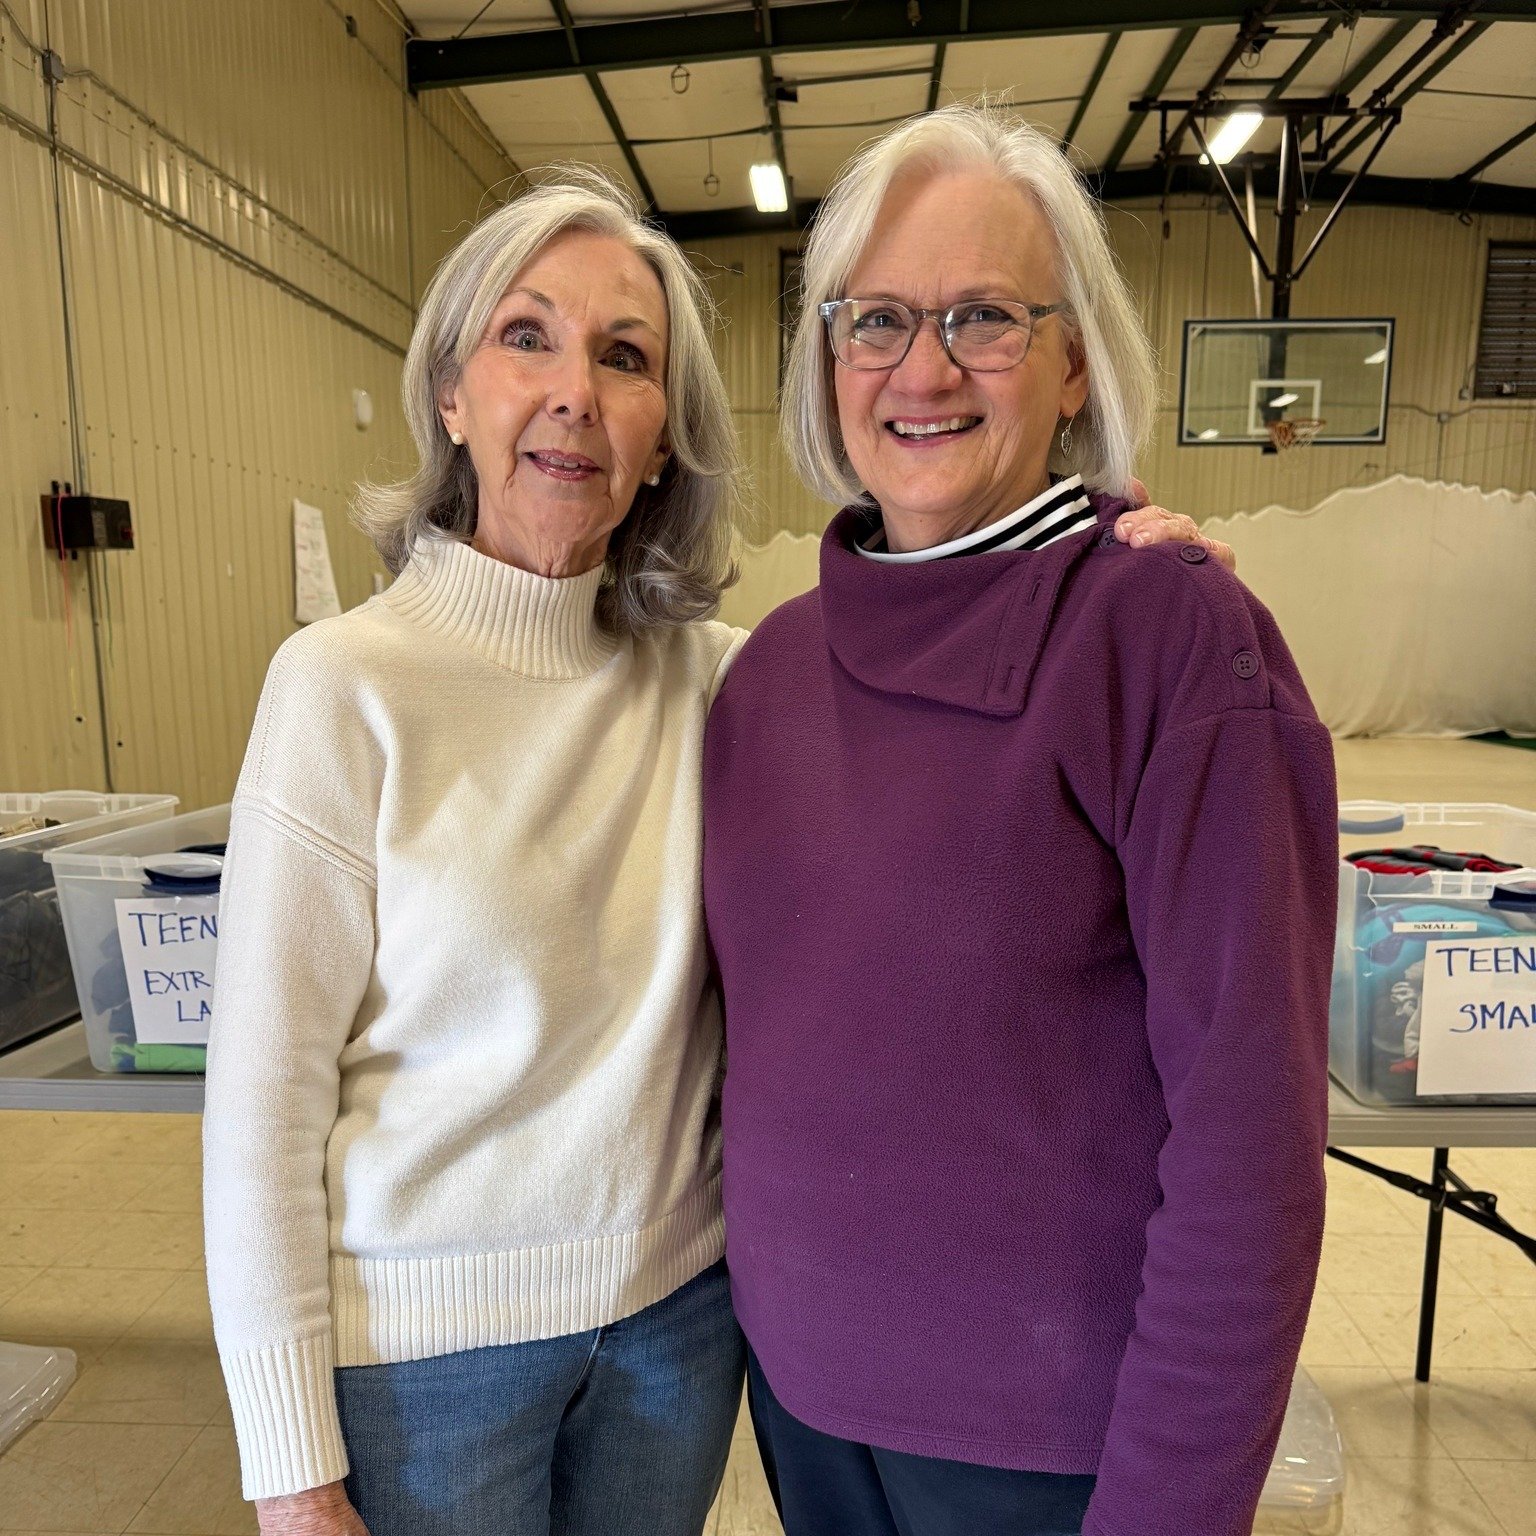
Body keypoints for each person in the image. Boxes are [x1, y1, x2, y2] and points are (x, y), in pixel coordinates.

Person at [203, 166, 1226, 1536]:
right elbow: (262, 1100)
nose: (573, 391)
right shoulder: (342, 688)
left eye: (625, 357)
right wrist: (288, 1473)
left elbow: (936, 664)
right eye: (527, 337)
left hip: (676, 1345)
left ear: (664, 436)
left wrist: (1110, 554)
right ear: (451, 393)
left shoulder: (734, 686)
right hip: (424, 1365)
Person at [702, 105, 1337, 1536]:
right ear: (825, 364)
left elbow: (1251, 1146)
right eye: (875, 321)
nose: (921, 369)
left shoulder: (1170, 639)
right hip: (803, 1413)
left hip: (1051, 1453)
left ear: (1071, 366)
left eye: (983, 316)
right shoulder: (766, 676)